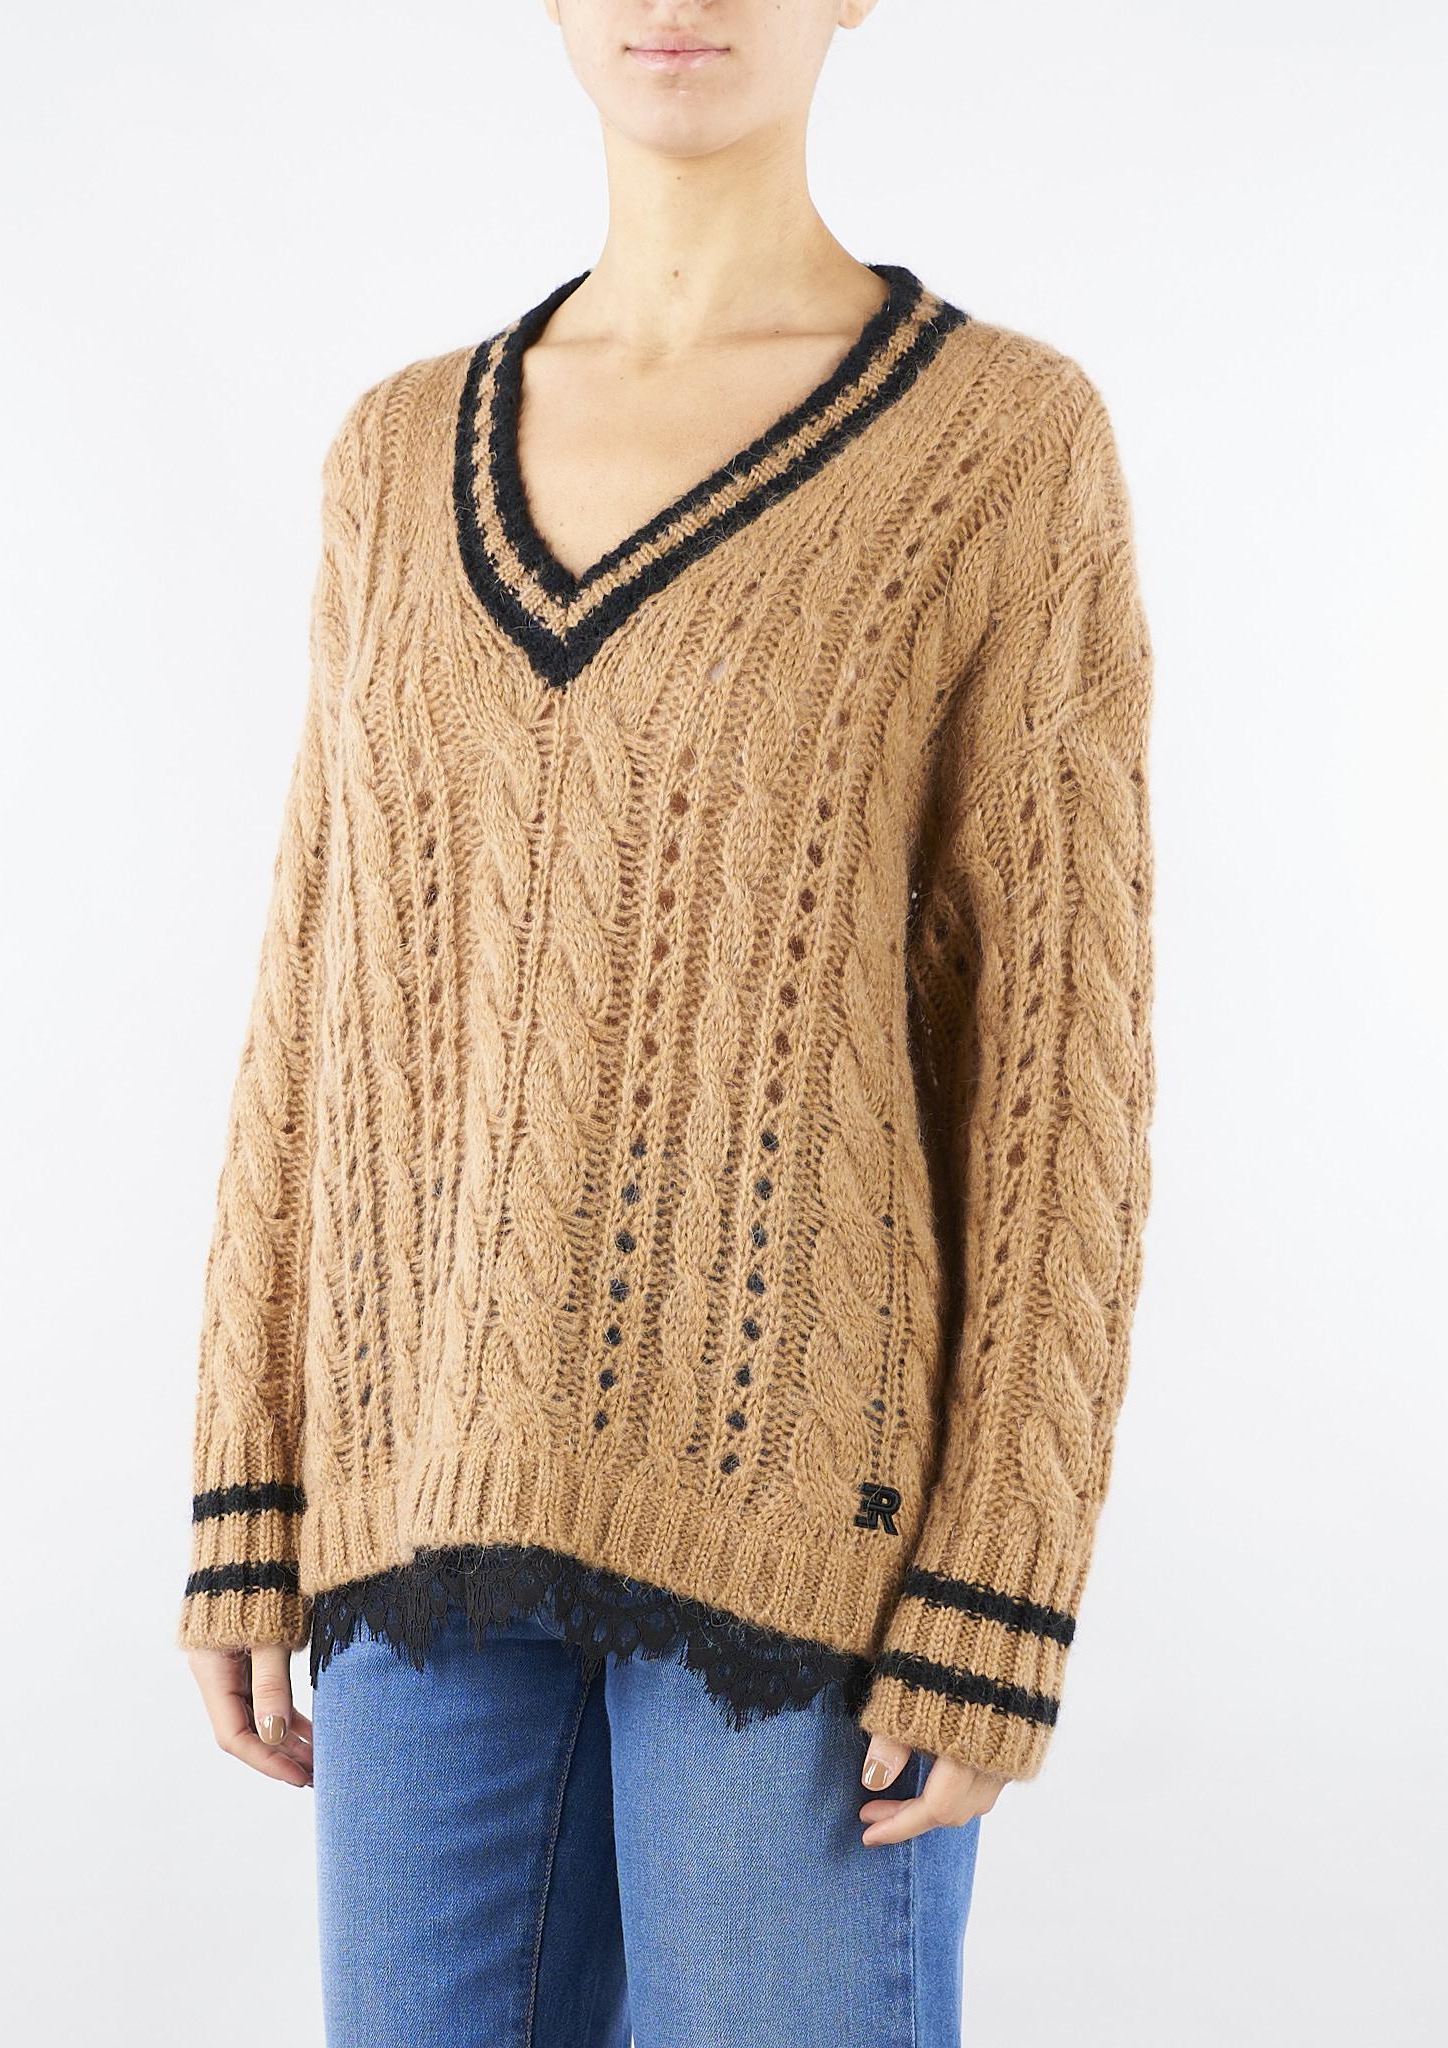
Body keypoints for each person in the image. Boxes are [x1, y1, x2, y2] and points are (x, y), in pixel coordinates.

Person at [174, 4, 1157, 2043]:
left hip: (801, 1542)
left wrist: (1003, 1580)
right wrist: (248, 1481)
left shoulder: (999, 443)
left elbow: (1061, 1059)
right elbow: (318, 990)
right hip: (417, 1506)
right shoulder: (393, 454)